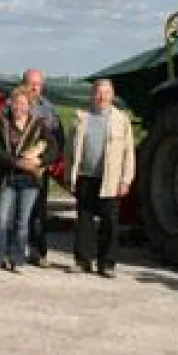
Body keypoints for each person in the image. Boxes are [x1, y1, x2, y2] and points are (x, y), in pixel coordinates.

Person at [64, 79, 135, 278]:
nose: (102, 97)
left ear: (112, 95)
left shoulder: (121, 120)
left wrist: (126, 180)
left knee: (109, 221)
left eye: (106, 93)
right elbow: (69, 150)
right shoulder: (81, 118)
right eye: (98, 93)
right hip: (86, 177)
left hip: (110, 179)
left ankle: (107, 263)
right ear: (92, 95)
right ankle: (83, 260)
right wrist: (69, 176)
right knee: (84, 220)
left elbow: (129, 153)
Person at [0, 86, 56, 273]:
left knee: (22, 221)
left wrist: (40, 161)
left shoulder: (38, 125)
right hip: (8, 177)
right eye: (15, 102)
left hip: (30, 181)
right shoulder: (2, 123)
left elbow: (53, 149)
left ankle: (16, 259)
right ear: (10, 104)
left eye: (22, 103)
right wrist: (18, 163)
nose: (18, 106)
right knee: (1, 218)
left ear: (29, 106)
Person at [22, 68, 65, 268]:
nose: (34, 88)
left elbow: (58, 140)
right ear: (23, 84)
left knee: (38, 212)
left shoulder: (49, 110)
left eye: (37, 84)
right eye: (30, 83)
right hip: (17, 168)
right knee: (15, 211)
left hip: (40, 169)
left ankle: (38, 252)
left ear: (42, 86)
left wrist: (45, 162)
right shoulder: (12, 105)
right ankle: (15, 250)